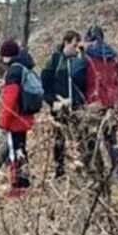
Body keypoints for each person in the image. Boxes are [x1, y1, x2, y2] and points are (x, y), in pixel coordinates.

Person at [80, 24, 118, 182]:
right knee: (111, 138)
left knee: (90, 137)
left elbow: (84, 78)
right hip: (111, 100)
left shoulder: (87, 55)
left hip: (94, 100)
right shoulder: (113, 55)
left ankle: (93, 173)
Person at [42, 30, 86, 178]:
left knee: (81, 136)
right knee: (59, 138)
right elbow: (45, 86)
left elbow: (83, 83)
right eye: (74, 45)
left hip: (76, 105)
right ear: (66, 43)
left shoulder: (77, 61)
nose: (75, 49)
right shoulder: (54, 61)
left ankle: (82, 167)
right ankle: (59, 171)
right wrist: (53, 102)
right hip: (59, 106)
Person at [0, 39, 37, 192]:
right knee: (21, 149)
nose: (2, 60)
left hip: (15, 120)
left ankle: (19, 184)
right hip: (24, 117)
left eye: (3, 56)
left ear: (8, 56)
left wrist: (3, 124)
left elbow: (10, 101)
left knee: (15, 152)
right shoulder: (23, 67)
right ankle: (24, 181)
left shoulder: (13, 71)